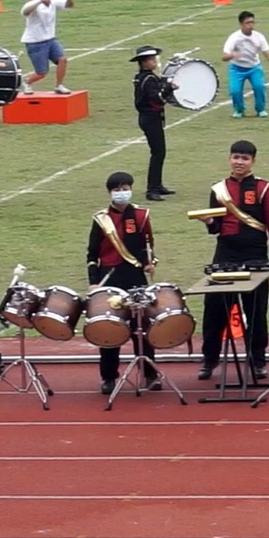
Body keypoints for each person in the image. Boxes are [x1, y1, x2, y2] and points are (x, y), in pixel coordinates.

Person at [198, 140, 269, 379]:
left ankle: (258, 360)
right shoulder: (218, 189)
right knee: (214, 308)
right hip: (225, 253)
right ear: (229, 159)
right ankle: (209, 359)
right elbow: (216, 229)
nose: (239, 162)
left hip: (255, 253)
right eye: (236, 157)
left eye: (245, 158)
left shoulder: (264, 188)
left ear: (253, 161)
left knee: (256, 309)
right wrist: (208, 223)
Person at [87, 171, 161, 395]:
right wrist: (94, 282)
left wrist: (149, 262)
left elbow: (148, 244)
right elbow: (92, 254)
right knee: (108, 327)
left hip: (135, 278)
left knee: (142, 329)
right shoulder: (101, 220)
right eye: (117, 189)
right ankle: (109, 377)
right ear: (110, 193)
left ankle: (149, 374)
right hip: (109, 279)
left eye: (125, 188)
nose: (122, 193)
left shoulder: (140, 215)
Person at [130, 45, 174, 201]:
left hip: (149, 118)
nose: (155, 61)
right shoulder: (148, 79)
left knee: (159, 153)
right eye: (152, 59)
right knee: (158, 153)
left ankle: (157, 185)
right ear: (144, 62)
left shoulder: (143, 77)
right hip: (150, 119)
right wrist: (169, 89)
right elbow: (158, 99)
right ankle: (152, 189)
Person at [20, 0, 75, 95]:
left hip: (50, 40)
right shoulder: (33, 4)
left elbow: (70, 4)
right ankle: (27, 81)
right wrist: (39, 2)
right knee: (41, 73)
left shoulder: (53, 3)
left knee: (62, 60)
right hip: (35, 42)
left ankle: (59, 85)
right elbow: (25, 12)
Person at [221, 10, 269, 118]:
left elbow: (265, 50)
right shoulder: (234, 38)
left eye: (252, 22)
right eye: (247, 23)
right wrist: (233, 55)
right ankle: (239, 110)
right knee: (235, 91)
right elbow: (224, 57)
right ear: (241, 24)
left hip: (254, 67)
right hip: (236, 68)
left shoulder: (258, 36)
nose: (250, 25)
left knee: (259, 87)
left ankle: (261, 109)